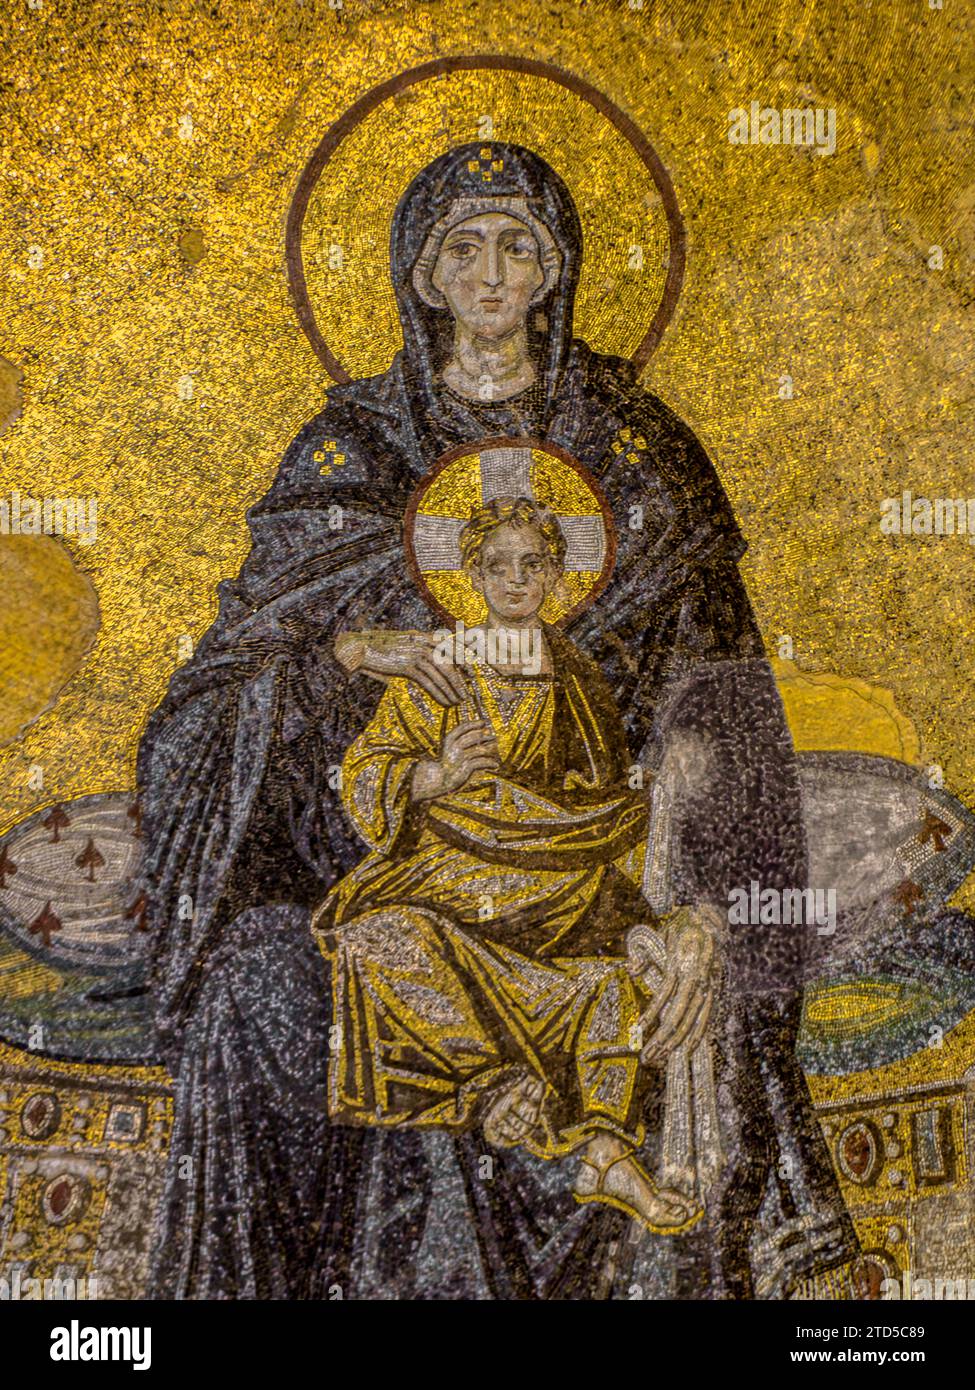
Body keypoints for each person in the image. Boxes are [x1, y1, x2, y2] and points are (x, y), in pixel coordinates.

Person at [138, 140, 856, 1299]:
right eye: (461, 248)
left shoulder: (639, 455)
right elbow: (222, 695)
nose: (490, 274)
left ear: (556, 269)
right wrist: (354, 663)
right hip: (403, 864)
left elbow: (724, 716)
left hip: (592, 873)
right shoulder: (351, 455)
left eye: (518, 245)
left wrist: (708, 919)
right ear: (420, 276)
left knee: (657, 995)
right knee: (261, 985)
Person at [316, 495, 702, 1234]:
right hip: (445, 875)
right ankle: (495, 1088)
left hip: (555, 877)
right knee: (379, 941)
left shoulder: (577, 678)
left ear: (558, 573)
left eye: (533, 564)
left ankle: (605, 1153)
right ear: (472, 574)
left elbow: (602, 800)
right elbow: (366, 775)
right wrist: (433, 777)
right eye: (497, 565)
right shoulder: (440, 667)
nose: (516, 579)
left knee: (605, 988)